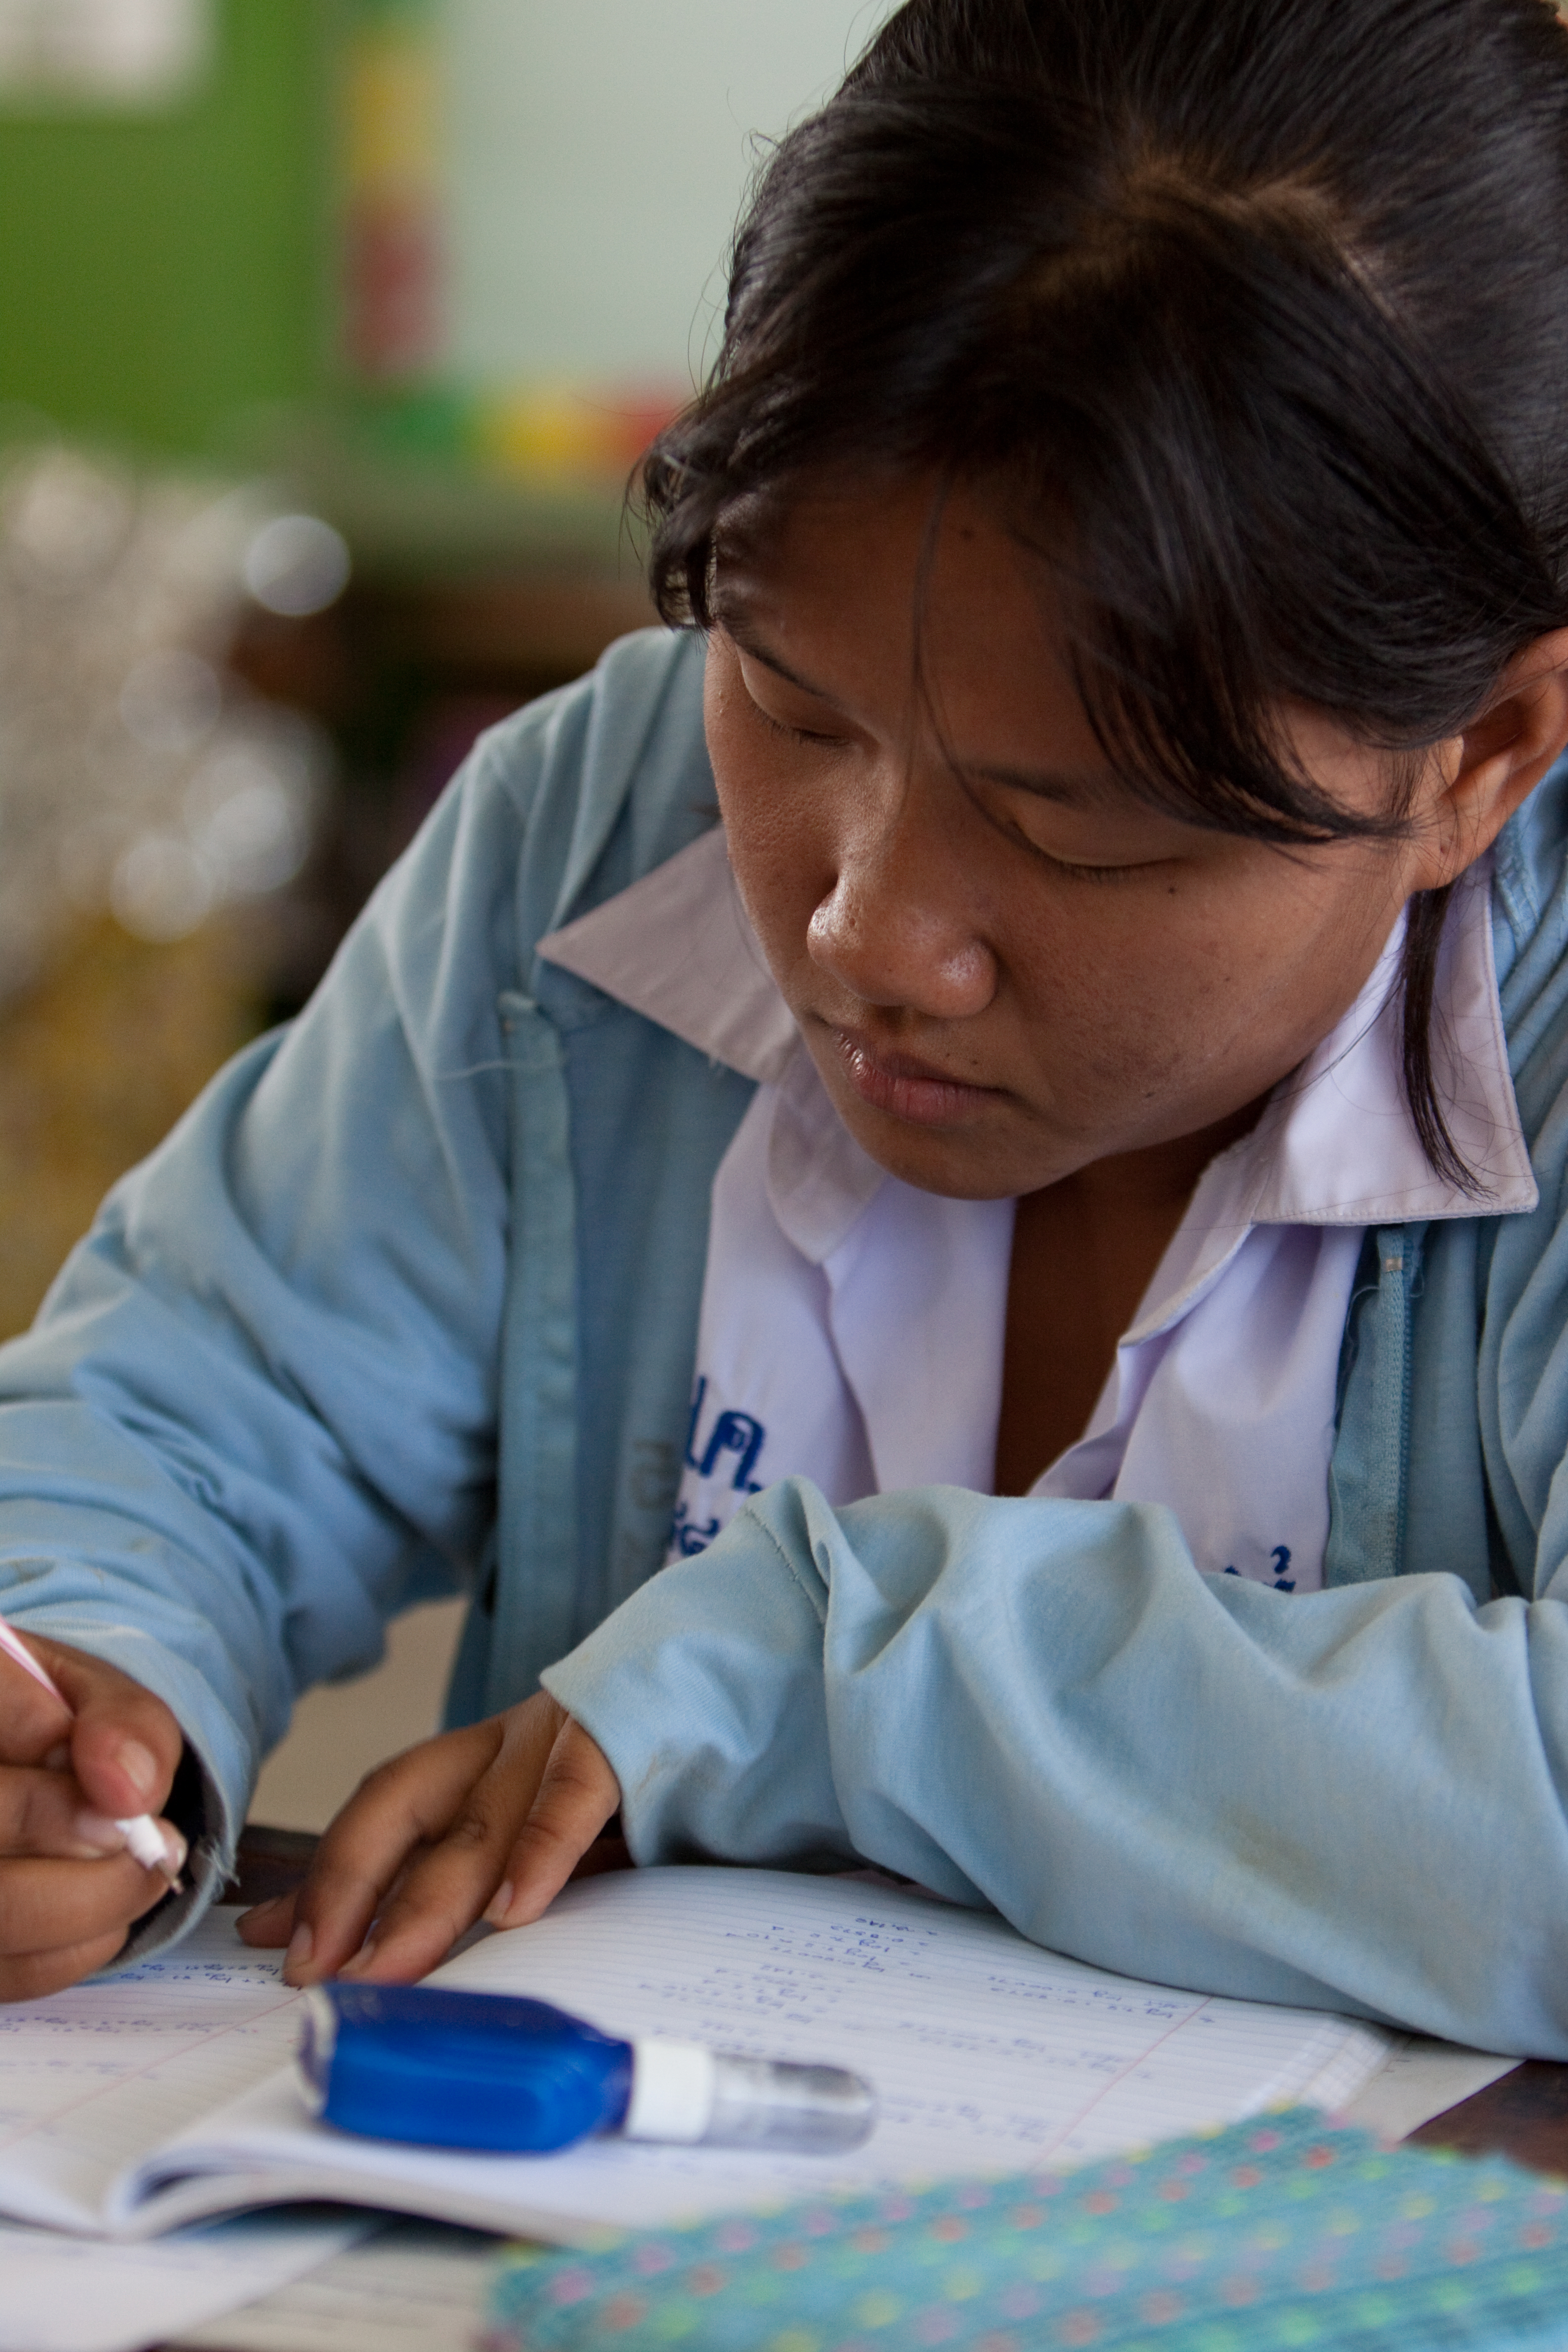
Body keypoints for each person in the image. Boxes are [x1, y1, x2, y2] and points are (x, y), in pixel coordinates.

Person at [5, 0, 1568, 2050]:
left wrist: (836, 1663)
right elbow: (200, 1402)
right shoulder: (601, 822)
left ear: (1484, 757)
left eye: (1075, 826)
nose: (865, 926)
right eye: (790, 701)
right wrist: (85, 1690)